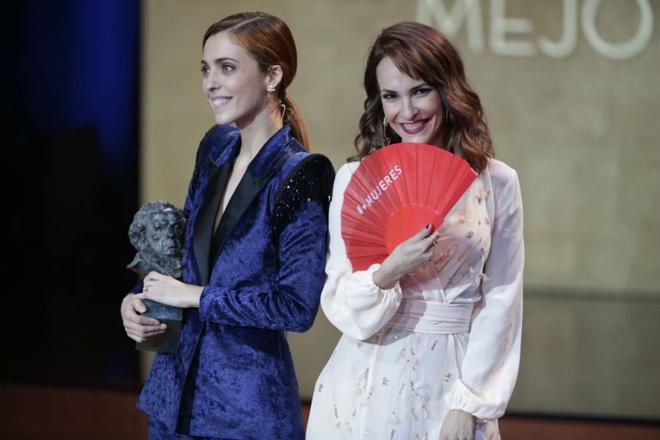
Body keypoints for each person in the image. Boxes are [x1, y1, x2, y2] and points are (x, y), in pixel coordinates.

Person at [120, 12, 334, 439]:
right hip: (173, 400)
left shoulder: (301, 173)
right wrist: (138, 300)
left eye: (227, 68)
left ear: (273, 75)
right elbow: (185, 257)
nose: (210, 83)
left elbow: (295, 306)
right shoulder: (216, 146)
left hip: (245, 413)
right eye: (206, 69)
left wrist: (195, 297)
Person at [307, 22, 524, 440]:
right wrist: (388, 272)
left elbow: (503, 298)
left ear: (448, 90)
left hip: (453, 379)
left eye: (420, 90)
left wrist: (470, 404)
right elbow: (336, 298)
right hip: (364, 382)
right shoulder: (355, 178)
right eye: (391, 96)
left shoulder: (497, 182)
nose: (407, 112)